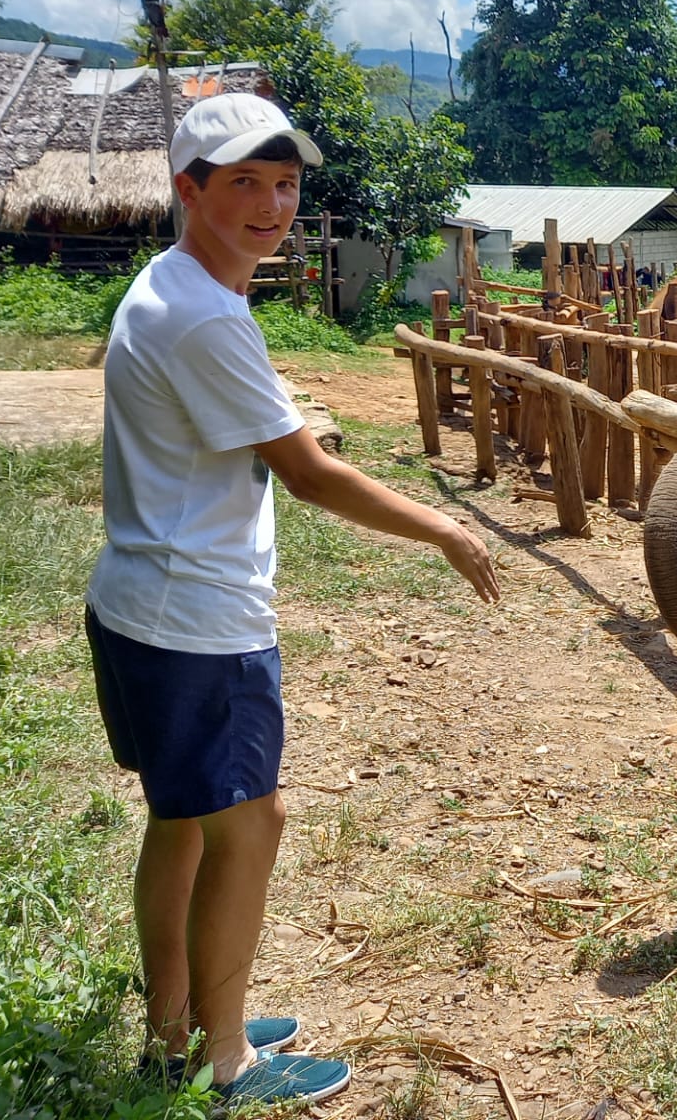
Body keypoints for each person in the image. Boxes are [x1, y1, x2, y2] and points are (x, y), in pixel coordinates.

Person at [86, 94, 500, 1108]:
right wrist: (444, 527)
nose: (271, 206)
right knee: (250, 823)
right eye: (244, 183)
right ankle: (227, 1062)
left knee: (182, 820)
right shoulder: (202, 318)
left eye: (284, 185)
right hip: (198, 622)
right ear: (189, 190)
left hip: (141, 603)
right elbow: (310, 473)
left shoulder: (173, 285)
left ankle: (176, 1030)